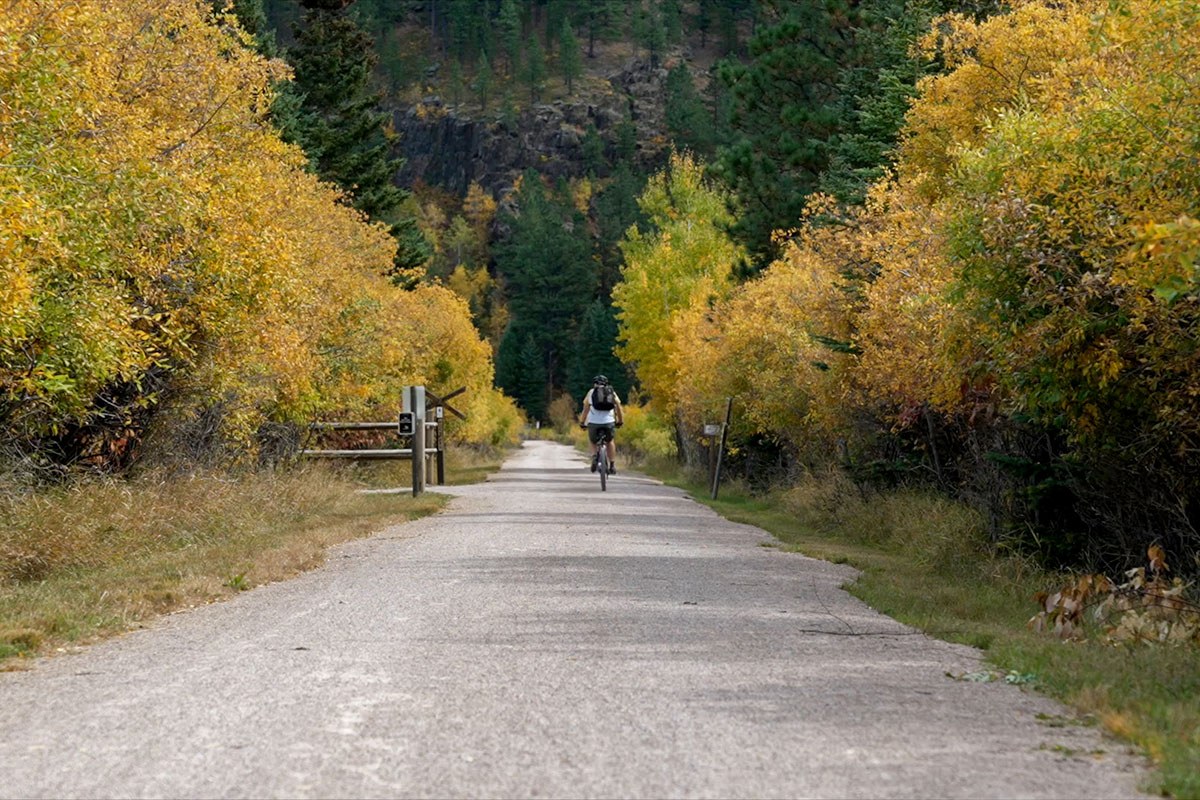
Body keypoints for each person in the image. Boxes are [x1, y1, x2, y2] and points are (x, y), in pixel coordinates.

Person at [578, 375, 623, 474]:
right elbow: (619, 407)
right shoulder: (611, 392)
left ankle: (594, 457)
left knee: (593, 440)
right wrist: (620, 420)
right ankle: (612, 465)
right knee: (610, 441)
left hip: (594, 423)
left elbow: (585, 410)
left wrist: (582, 422)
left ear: (595, 384)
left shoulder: (591, 393)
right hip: (609, 422)